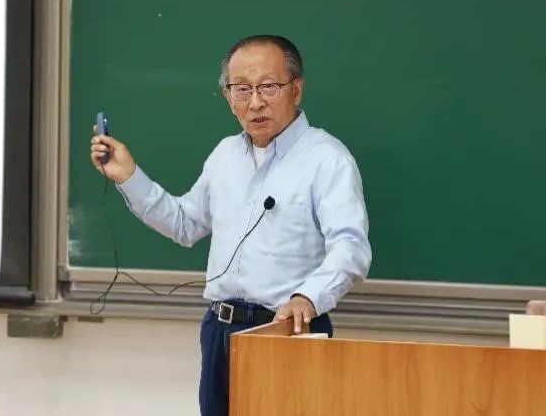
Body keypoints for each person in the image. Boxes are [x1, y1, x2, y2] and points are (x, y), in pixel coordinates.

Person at [90, 34, 372, 416]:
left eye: (268, 87)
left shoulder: (327, 159)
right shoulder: (225, 155)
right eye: (241, 89)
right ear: (228, 97)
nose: (254, 102)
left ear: (297, 89)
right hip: (219, 330)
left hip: (286, 329)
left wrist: (308, 298)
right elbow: (185, 223)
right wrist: (129, 176)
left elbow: (351, 247)